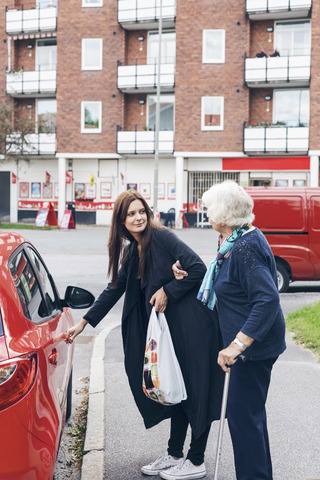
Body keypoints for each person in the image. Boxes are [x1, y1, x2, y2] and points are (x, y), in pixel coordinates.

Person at [67, 190, 224, 480]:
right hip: (168, 331)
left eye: (141, 211)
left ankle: (196, 460)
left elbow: (198, 268)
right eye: (131, 214)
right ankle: (175, 453)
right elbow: (115, 288)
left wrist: (168, 290)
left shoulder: (161, 237)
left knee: (195, 391)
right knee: (176, 389)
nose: (138, 217)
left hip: (193, 328)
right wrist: (85, 322)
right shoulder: (132, 249)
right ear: (121, 221)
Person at [173, 181, 286, 480]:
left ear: (223, 214)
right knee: (249, 416)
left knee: (242, 419)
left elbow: (267, 299)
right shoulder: (235, 238)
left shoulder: (245, 247)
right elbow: (229, 283)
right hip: (253, 346)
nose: (206, 212)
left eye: (209, 208)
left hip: (252, 350)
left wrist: (237, 345)